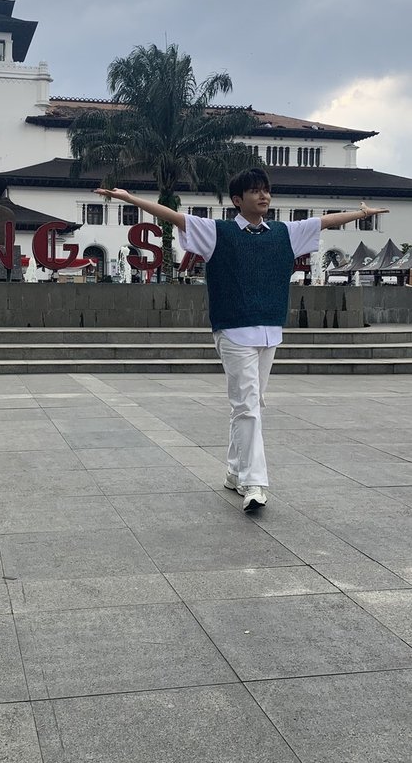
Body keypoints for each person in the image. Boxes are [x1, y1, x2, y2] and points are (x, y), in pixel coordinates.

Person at [95, 169, 389, 511]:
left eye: (266, 191)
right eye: (255, 192)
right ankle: (255, 483)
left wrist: (362, 214)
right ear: (238, 200)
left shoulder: (284, 233)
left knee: (250, 403)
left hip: (269, 330)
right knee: (247, 406)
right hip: (234, 331)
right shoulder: (216, 231)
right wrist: (130, 200)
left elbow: (324, 221)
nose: (263, 197)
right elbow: (174, 216)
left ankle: (235, 472)